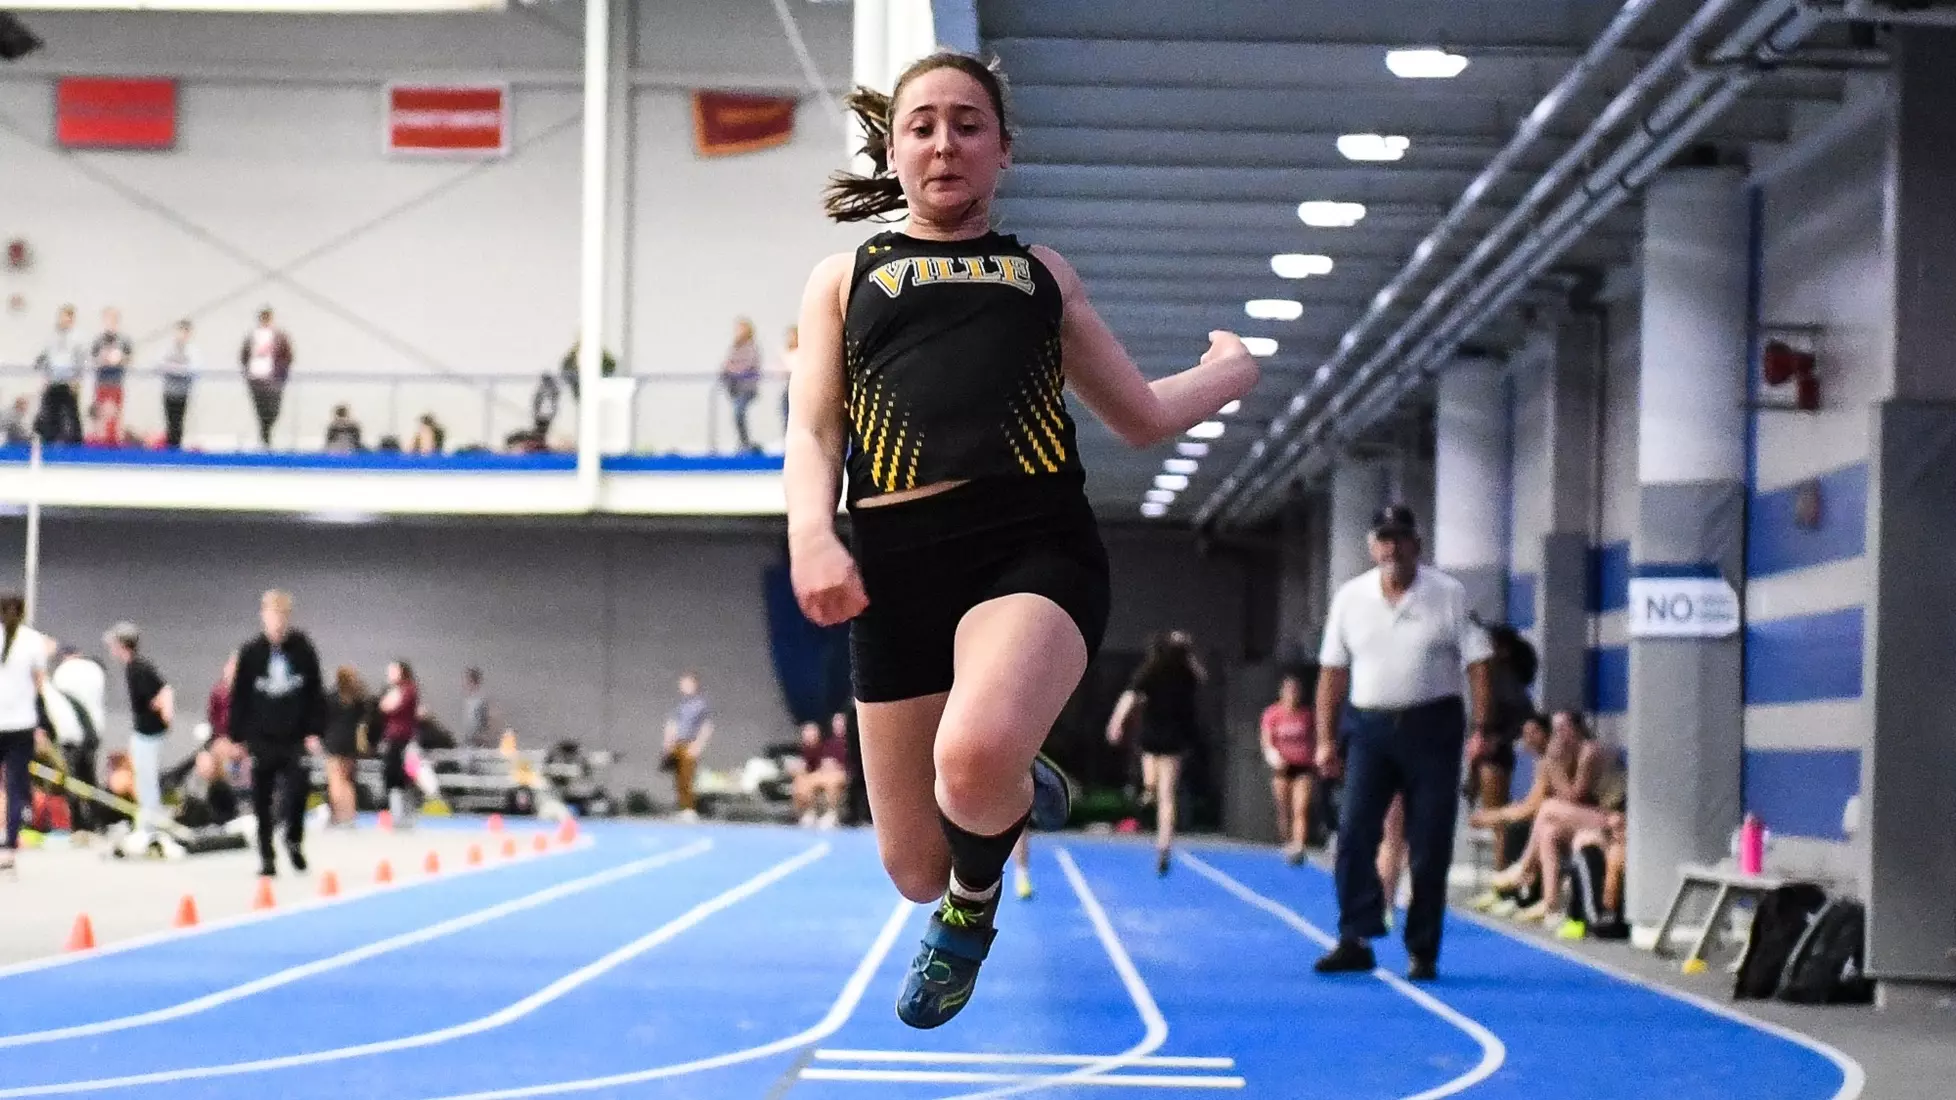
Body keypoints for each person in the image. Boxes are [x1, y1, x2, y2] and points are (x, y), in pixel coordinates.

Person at [782, 51, 1256, 1030]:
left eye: (968, 124)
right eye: (922, 125)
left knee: (970, 757)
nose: (944, 143)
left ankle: (975, 903)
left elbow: (1140, 414)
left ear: (1004, 149)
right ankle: (1002, 781)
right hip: (895, 569)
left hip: (1030, 545)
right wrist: (811, 536)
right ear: (892, 148)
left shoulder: (1039, 274)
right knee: (915, 865)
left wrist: (1231, 370)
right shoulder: (844, 278)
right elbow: (815, 432)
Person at [1314, 504, 1493, 983]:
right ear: (1372, 547)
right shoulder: (1350, 597)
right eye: (1384, 539)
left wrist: (1482, 729)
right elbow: (1332, 673)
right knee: (1354, 831)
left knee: (1430, 843)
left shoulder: (1448, 594)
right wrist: (1325, 739)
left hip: (1433, 728)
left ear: (1417, 544)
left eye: (1400, 538)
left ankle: (1423, 949)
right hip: (1370, 728)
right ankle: (1356, 936)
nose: (1392, 548)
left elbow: (1479, 665)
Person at [230, 589, 326, 876]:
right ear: (263, 617)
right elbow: (240, 696)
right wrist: (238, 737)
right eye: (272, 616)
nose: (277, 623)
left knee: (298, 790)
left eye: (281, 617)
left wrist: (314, 731)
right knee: (261, 798)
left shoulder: (303, 649)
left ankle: (293, 840)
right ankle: (266, 855)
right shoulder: (251, 653)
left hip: (294, 737)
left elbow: (315, 692)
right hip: (262, 737)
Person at [1107, 631, 1206, 876]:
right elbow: (1202, 677)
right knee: (1166, 795)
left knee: (1157, 790)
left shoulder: (1154, 671)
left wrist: (1116, 721)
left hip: (1156, 737)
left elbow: (1130, 696)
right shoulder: (1182, 673)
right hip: (1171, 739)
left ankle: (1150, 802)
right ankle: (1163, 843)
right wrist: (1188, 652)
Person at [104, 622, 173, 830]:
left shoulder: (138, 668)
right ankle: (149, 821)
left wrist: (165, 715)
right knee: (143, 779)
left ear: (122, 645)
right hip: (144, 732)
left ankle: (150, 825)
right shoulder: (134, 667)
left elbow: (163, 692)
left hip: (148, 733)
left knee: (146, 780)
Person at [0, 596, 48, 872]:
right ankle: (9, 849)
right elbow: (40, 685)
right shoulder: (33, 641)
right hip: (21, 725)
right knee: (15, 787)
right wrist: (43, 723)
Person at [42, 640, 106, 833]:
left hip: (70, 735)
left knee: (71, 779)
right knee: (90, 778)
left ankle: (78, 822)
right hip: (93, 733)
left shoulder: (63, 673)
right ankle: (97, 821)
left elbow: (53, 702)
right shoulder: (95, 671)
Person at [1260, 670, 1316, 864]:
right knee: (1284, 808)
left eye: (1296, 691)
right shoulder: (1272, 714)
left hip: (1303, 766)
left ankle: (1299, 846)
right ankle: (1286, 842)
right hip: (1282, 767)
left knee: (1301, 807)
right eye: (1289, 690)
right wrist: (1272, 756)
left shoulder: (1306, 715)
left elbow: (1314, 738)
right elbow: (1266, 739)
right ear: (1282, 692)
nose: (1292, 694)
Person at [321, 665, 370, 827]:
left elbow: (322, 717)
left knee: (335, 780)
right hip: (350, 742)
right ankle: (349, 816)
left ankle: (338, 815)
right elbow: (363, 717)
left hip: (334, 740)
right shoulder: (358, 699)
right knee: (348, 781)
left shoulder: (331, 697)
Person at [239, 307, 294, 448]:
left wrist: (282, 374)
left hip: (274, 380)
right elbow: (244, 356)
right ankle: (265, 438)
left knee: (274, 410)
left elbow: (288, 356)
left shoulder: (280, 337)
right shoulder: (252, 337)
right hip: (256, 379)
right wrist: (248, 372)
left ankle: (266, 433)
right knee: (261, 409)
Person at [661, 673, 712, 821]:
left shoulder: (701, 704)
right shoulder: (680, 705)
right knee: (678, 777)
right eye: (682, 684)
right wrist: (668, 743)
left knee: (687, 776)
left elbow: (706, 726)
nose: (683, 687)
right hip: (677, 743)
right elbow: (672, 723)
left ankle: (690, 809)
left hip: (690, 743)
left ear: (694, 685)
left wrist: (698, 745)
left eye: (686, 684)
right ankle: (683, 807)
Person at [32, 303, 85, 444]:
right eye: (62, 316)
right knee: (50, 414)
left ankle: (76, 445)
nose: (64, 320)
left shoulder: (78, 337)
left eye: (68, 317)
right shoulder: (51, 336)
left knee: (72, 415)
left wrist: (77, 380)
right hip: (53, 380)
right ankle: (49, 443)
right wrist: (44, 377)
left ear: (72, 319)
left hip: (69, 382)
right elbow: (45, 356)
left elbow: (81, 360)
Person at [377, 660, 420, 827]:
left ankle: (404, 816)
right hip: (392, 738)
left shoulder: (408, 689)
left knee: (400, 777)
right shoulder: (394, 690)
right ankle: (398, 815)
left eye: (393, 671)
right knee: (392, 776)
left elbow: (389, 706)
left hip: (402, 739)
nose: (389, 674)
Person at [791, 714, 850, 828]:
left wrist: (837, 765)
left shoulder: (852, 743)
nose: (838, 726)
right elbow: (818, 762)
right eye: (836, 723)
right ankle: (809, 812)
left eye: (841, 723)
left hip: (843, 772)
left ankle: (832, 813)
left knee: (832, 782)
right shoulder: (828, 743)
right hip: (824, 773)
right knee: (802, 781)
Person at [156, 319, 202, 450]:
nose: (182, 334)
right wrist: (177, 368)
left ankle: (176, 447)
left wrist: (176, 369)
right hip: (169, 390)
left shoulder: (192, 350)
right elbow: (159, 365)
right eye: (180, 331)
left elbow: (194, 369)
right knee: (169, 420)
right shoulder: (168, 349)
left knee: (179, 421)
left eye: (185, 332)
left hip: (183, 391)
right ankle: (170, 447)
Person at [721, 317, 763, 453]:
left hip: (747, 388)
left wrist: (734, 370)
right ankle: (743, 442)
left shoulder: (752, 347)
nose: (738, 332)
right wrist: (728, 370)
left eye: (741, 329)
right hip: (735, 388)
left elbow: (749, 365)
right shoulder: (734, 347)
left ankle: (746, 443)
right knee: (737, 415)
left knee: (739, 412)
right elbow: (726, 364)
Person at [461, 667, 495, 749]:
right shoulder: (469, 700)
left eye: (467, 681)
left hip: (477, 741)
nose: (464, 684)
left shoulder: (480, 701)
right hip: (469, 740)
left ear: (472, 682)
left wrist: (481, 737)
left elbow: (484, 722)